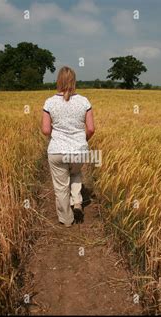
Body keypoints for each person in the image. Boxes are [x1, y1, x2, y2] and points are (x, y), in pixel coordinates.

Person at [41, 66, 95, 227]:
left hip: (57, 150)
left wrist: (57, 137)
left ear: (58, 81)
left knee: (61, 187)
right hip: (79, 150)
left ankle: (67, 220)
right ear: (74, 81)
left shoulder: (50, 102)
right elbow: (91, 128)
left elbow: (45, 130)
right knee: (76, 173)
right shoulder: (84, 101)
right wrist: (82, 140)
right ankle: (77, 202)